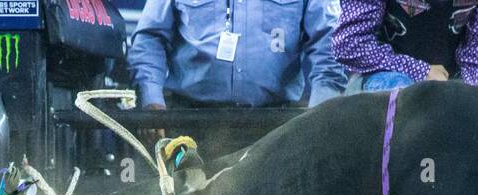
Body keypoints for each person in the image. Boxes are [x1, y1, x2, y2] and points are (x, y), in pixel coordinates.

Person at [129, 0, 348, 154]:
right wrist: (152, 101)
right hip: (189, 125)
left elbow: (329, 44)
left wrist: (320, 118)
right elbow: (150, 38)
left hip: (272, 129)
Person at [331, 0, 478, 91]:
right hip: (381, 77)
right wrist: (421, 71)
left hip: (452, 83)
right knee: (401, 90)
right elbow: (349, 44)